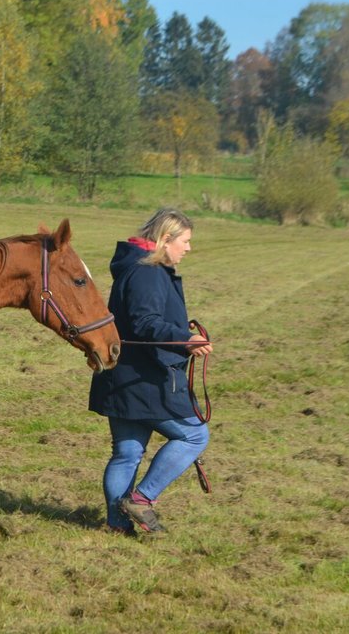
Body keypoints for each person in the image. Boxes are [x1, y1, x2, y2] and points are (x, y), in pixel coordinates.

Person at [88, 208, 213, 535]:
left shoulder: (138, 267)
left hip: (123, 375)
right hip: (144, 378)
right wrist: (186, 339)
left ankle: (117, 526)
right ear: (166, 238)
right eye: (184, 241)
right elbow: (145, 323)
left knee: (127, 452)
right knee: (194, 435)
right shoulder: (148, 272)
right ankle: (141, 500)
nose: (188, 248)